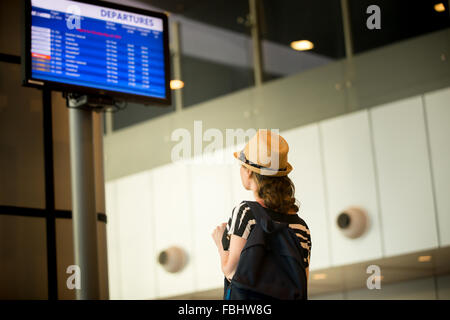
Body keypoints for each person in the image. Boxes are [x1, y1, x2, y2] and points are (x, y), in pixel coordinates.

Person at [211, 129, 312, 298]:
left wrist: (221, 244)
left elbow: (232, 272)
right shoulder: (301, 227)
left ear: (249, 171)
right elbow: (303, 283)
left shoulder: (246, 213)